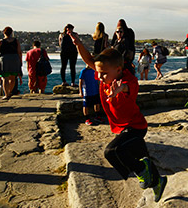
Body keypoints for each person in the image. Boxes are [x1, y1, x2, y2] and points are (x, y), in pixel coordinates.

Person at [68, 34, 167, 202]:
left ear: (119, 70)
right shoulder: (107, 75)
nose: (99, 78)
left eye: (103, 74)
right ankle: (158, 181)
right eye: (98, 73)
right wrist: (78, 44)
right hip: (122, 127)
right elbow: (91, 61)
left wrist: (120, 89)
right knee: (143, 159)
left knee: (112, 152)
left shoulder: (128, 81)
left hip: (135, 127)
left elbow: (129, 87)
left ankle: (142, 171)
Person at [0, 27, 22, 99]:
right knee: (13, 78)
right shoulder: (16, 41)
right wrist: (20, 61)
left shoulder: (1, 41)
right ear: (12, 33)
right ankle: (10, 91)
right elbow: (19, 52)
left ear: (4, 33)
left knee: (5, 78)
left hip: (4, 60)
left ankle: (6, 94)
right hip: (15, 59)